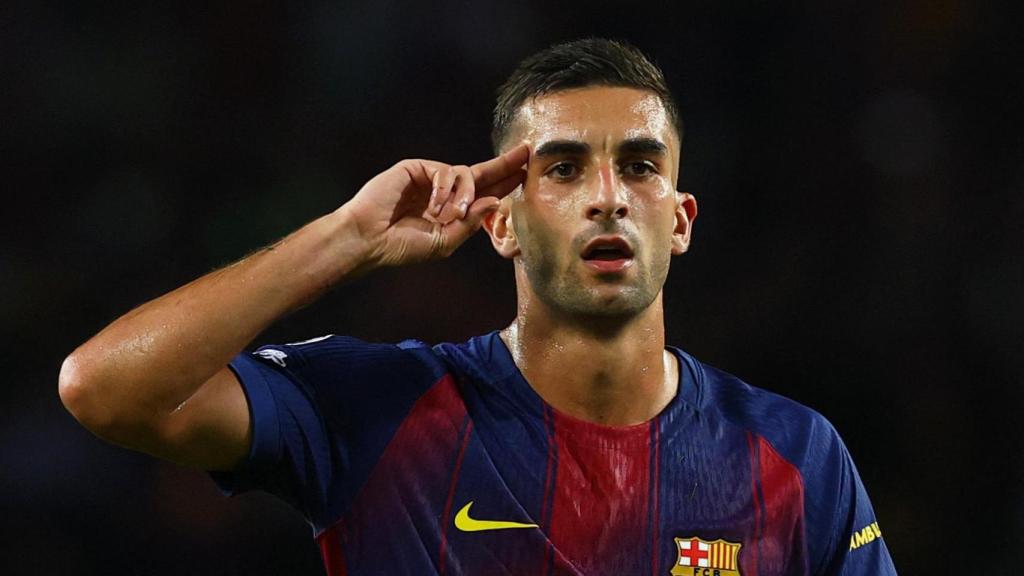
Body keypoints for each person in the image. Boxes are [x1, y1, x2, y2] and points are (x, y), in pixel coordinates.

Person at [59, 38, 897, 575]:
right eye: (563, 169)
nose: (608, 196)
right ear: (501, 223)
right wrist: (345, 237)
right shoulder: (381, 410)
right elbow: (104, 388)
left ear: (678, 222)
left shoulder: (795, 456)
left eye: (641, 166)